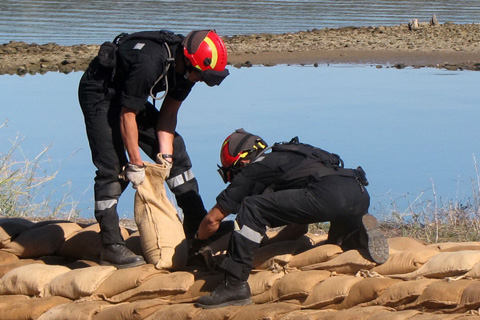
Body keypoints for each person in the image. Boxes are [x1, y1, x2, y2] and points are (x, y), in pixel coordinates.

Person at [78, 29, 229, 269]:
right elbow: (127, 115)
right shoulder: (150, 63)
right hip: (101, 93)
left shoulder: (187, 72)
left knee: (177, 153)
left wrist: (166, 156)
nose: (200, 80)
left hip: (128, 97)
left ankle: (196, 227)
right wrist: (135, 163)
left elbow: (169, 113)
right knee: (113, 168)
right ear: (188, 61)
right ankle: (110, 245)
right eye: (200, 75)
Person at [194, 128, 389, 308]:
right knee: (337, 243)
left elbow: (213, 220)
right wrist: (263, 247)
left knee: (252, 207)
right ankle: (357, 237)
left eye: (231, 175)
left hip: (328, 196)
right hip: (357, 191)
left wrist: (197, 242)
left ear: (242, 162)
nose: (232, 181)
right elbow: (298, 228)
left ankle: (234, 286)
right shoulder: (292, 156)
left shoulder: (254, 169)